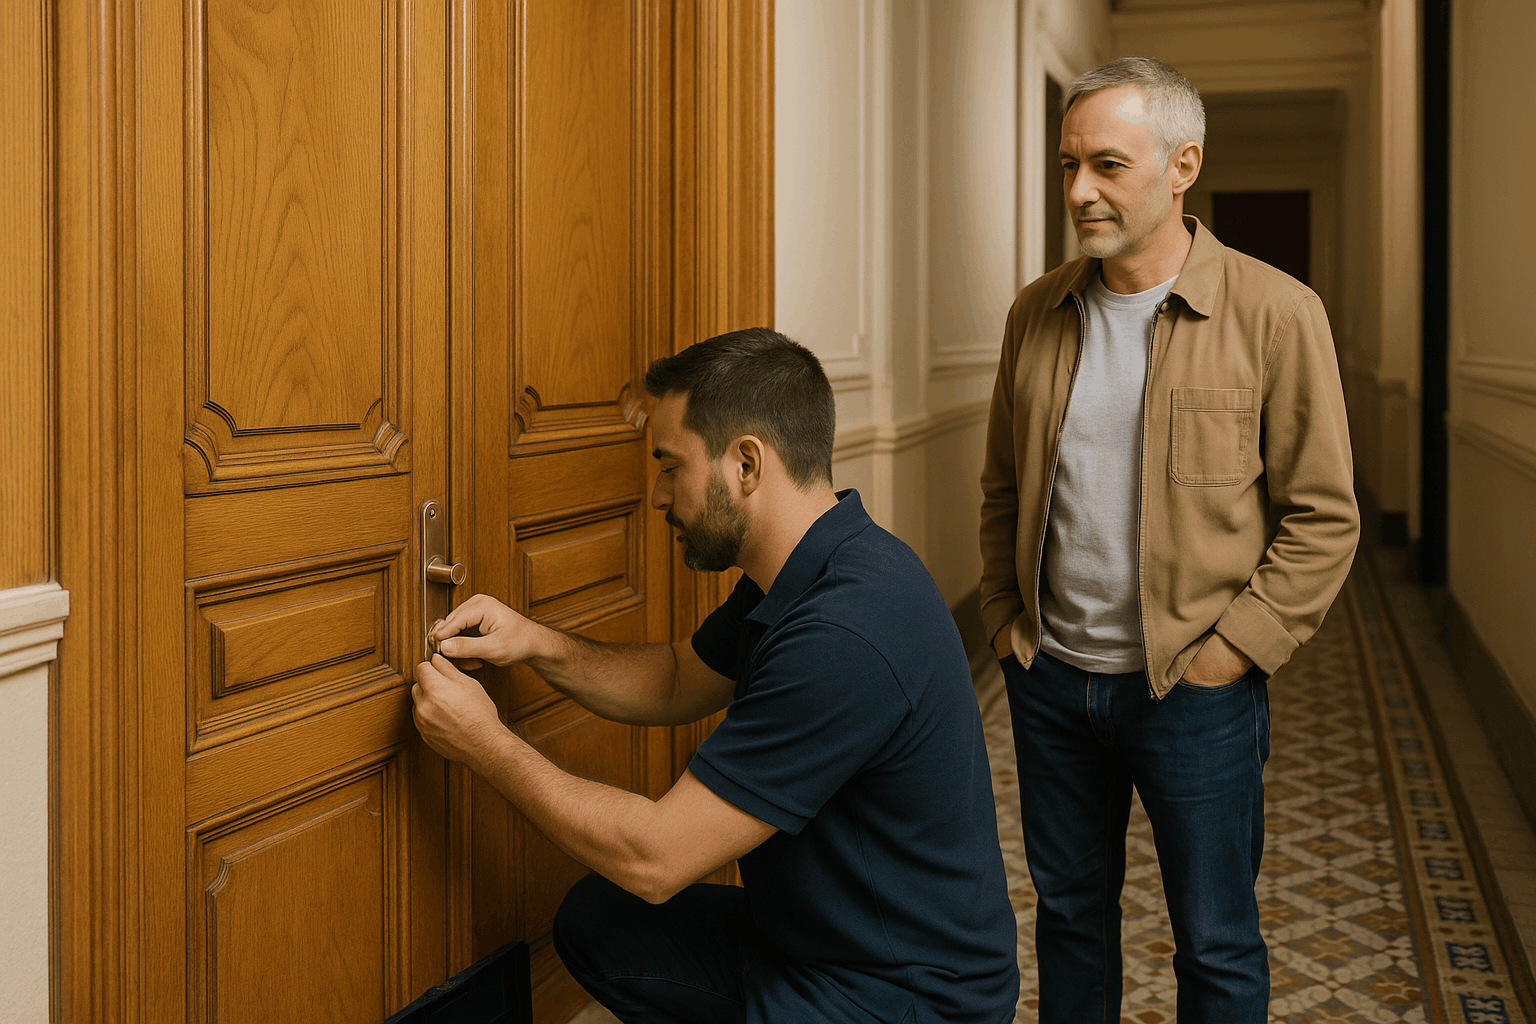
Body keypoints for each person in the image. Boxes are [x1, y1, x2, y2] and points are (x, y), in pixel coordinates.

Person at [413, 328, 1019, 1024]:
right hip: (822, 946)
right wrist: (535, 643)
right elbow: (677, 678)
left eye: (671, 464)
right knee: (598, 921)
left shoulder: (843, 633)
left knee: (637, 882)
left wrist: (485, 743)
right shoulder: (810, 565)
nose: (658, 493)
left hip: (903, 1000)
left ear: (746, 464)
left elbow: (657, 858)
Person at [978, 57, 1359, 1023]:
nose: (1078, 191)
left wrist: (1229, 656)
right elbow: (1003, 488)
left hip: (1194, 693)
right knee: (1068, 920)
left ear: (1183, 166)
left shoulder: (1277, 313)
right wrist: (1003, 625)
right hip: (1053, 681)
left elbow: (1324, 518)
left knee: (1217, 941)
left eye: (1107, 165)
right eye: (1069, 165)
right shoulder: (1037, 311)